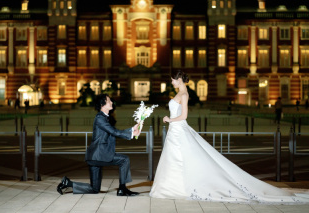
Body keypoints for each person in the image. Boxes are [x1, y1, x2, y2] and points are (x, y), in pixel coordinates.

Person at [149, 70, 309, 204]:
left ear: (178, 79)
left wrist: (169, 119)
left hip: (178, 128)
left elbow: (184, 115)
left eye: (172, 80)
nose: (172, 82)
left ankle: (174, 187)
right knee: (174, 159)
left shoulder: (183, 94)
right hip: (175, 130)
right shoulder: (179, 92)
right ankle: (173, 187)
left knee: (181, 158)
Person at [57, 94, 140, 196]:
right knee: (124, 160)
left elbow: (113, 131)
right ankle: (122, 189)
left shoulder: (104, 118)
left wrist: (132, 130)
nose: (111, 102)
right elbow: (114, 132)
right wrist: (131, 133)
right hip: (99, 155)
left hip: (94, 157)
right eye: (109, 101)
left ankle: (67, 183)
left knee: (94, 189)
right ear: (102, 104)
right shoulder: (100, 118)